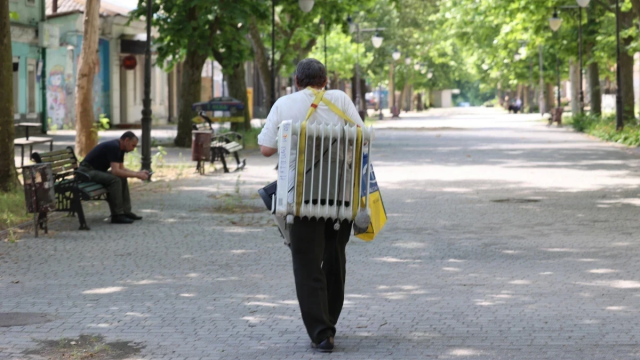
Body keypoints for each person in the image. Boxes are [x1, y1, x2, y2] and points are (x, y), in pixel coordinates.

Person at [257, 58, 365, 353]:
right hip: (340, 195)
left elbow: (266, 149)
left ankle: (321, 333)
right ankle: (330, 319)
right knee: (334, 258)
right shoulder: (341, 99)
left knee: (306, 264)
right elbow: (361, 138)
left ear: (296, 81)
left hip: (299, 197)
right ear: (325, 82)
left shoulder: (284, 103)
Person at [78, 131, 149, 224]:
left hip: (95, 171)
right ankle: (117, 215)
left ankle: (126, 212)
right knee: (115, 180)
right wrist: (137, 175)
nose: (133, 149)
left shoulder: (121, 149)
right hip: (85, 172)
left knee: (122, 178)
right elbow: (116, 172)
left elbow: (121, 169)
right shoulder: (114, 147)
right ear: (126, 140)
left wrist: (138, 173)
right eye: (133, 145)